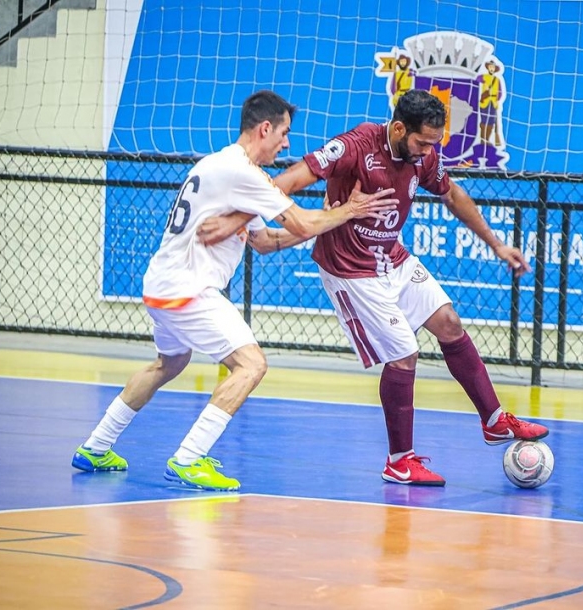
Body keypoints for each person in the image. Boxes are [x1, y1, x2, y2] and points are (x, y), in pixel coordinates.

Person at [200, 89, 548, 487]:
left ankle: (493, 421)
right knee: (404, 355)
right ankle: (400, 461)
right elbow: (288, 181)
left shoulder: (425, 154)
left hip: (391, 257)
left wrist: (497, 243)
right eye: (421, 142)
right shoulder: (356, 145)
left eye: (433, 145)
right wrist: (235, 220)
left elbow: (452, 194)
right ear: (399, 127)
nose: (426, 153)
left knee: (450, 323)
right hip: (351, 269)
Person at [71, 90, 397, 491]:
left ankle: (95, 447)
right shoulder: (245, 174)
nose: (287, 143)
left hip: (162, 285)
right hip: (189, 290)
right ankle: (188, 459)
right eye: (284, 133)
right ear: (265, 128)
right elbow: (304, 224)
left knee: (167, 365)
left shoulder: (218, 165)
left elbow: (264, 242)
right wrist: (349, 211)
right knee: (251, 364)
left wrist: (330, 220)